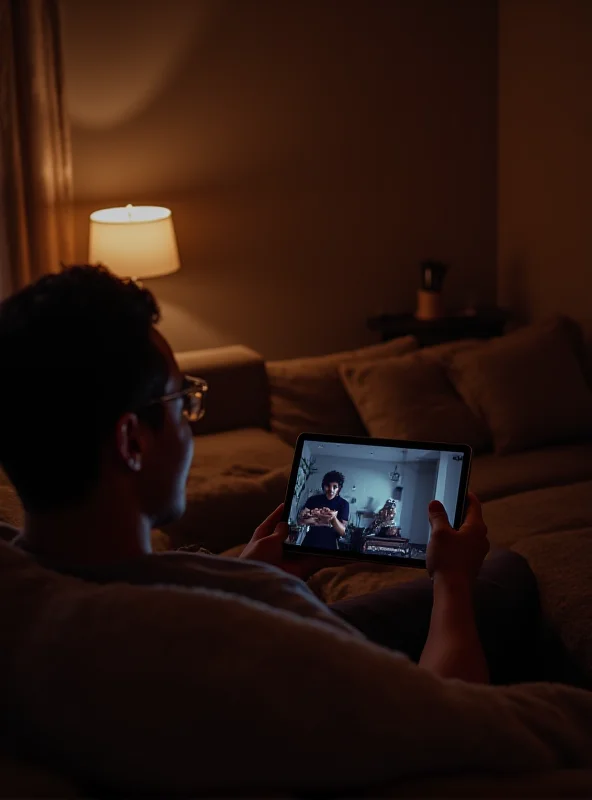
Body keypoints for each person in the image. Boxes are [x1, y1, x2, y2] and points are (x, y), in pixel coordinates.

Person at [0, 266, 547, 687]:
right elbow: (447, 725)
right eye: (183, 403)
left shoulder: (24, 587)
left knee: (503, 574)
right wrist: (450, 582)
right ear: (131, 441)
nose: (191, 427)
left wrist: (241, 574)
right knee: (499, 582)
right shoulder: (243, 639)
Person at [297, 471, 350, 550]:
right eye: (328, 486)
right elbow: (300, 521)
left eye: (335, 487)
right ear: (323, 486)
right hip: (310, 541)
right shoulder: (313, 499)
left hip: (330, 544)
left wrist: (333, 518)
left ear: (339, 488)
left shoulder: (344, 504)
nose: (331, 490)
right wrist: (318, 520)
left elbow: (342, 531)